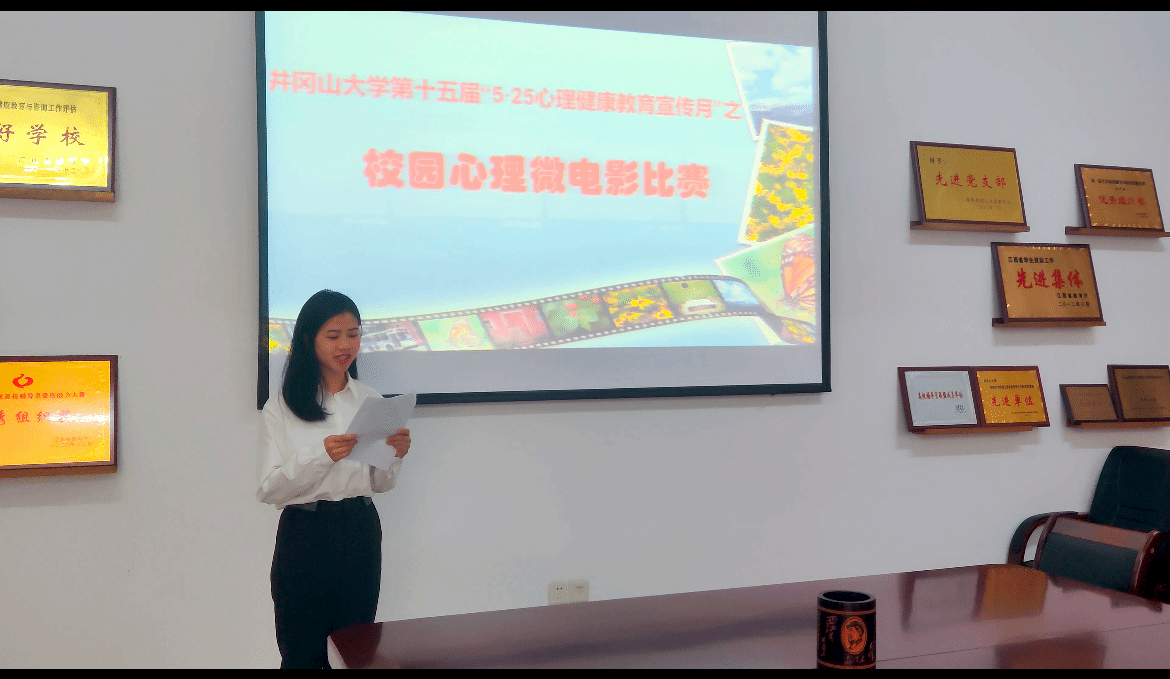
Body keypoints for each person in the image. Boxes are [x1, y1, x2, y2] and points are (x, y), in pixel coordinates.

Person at [257, 289, 412, 669]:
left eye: (353, 334)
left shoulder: (370, 400)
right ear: (308, 339)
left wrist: (394, 455)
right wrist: (322, 455)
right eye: (333, 335)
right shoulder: (282, 407)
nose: (346, 345)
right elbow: (270, 488)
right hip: (306, 533)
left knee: (355, 649)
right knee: (302, 652)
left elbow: (380, 484)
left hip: (360, 528)